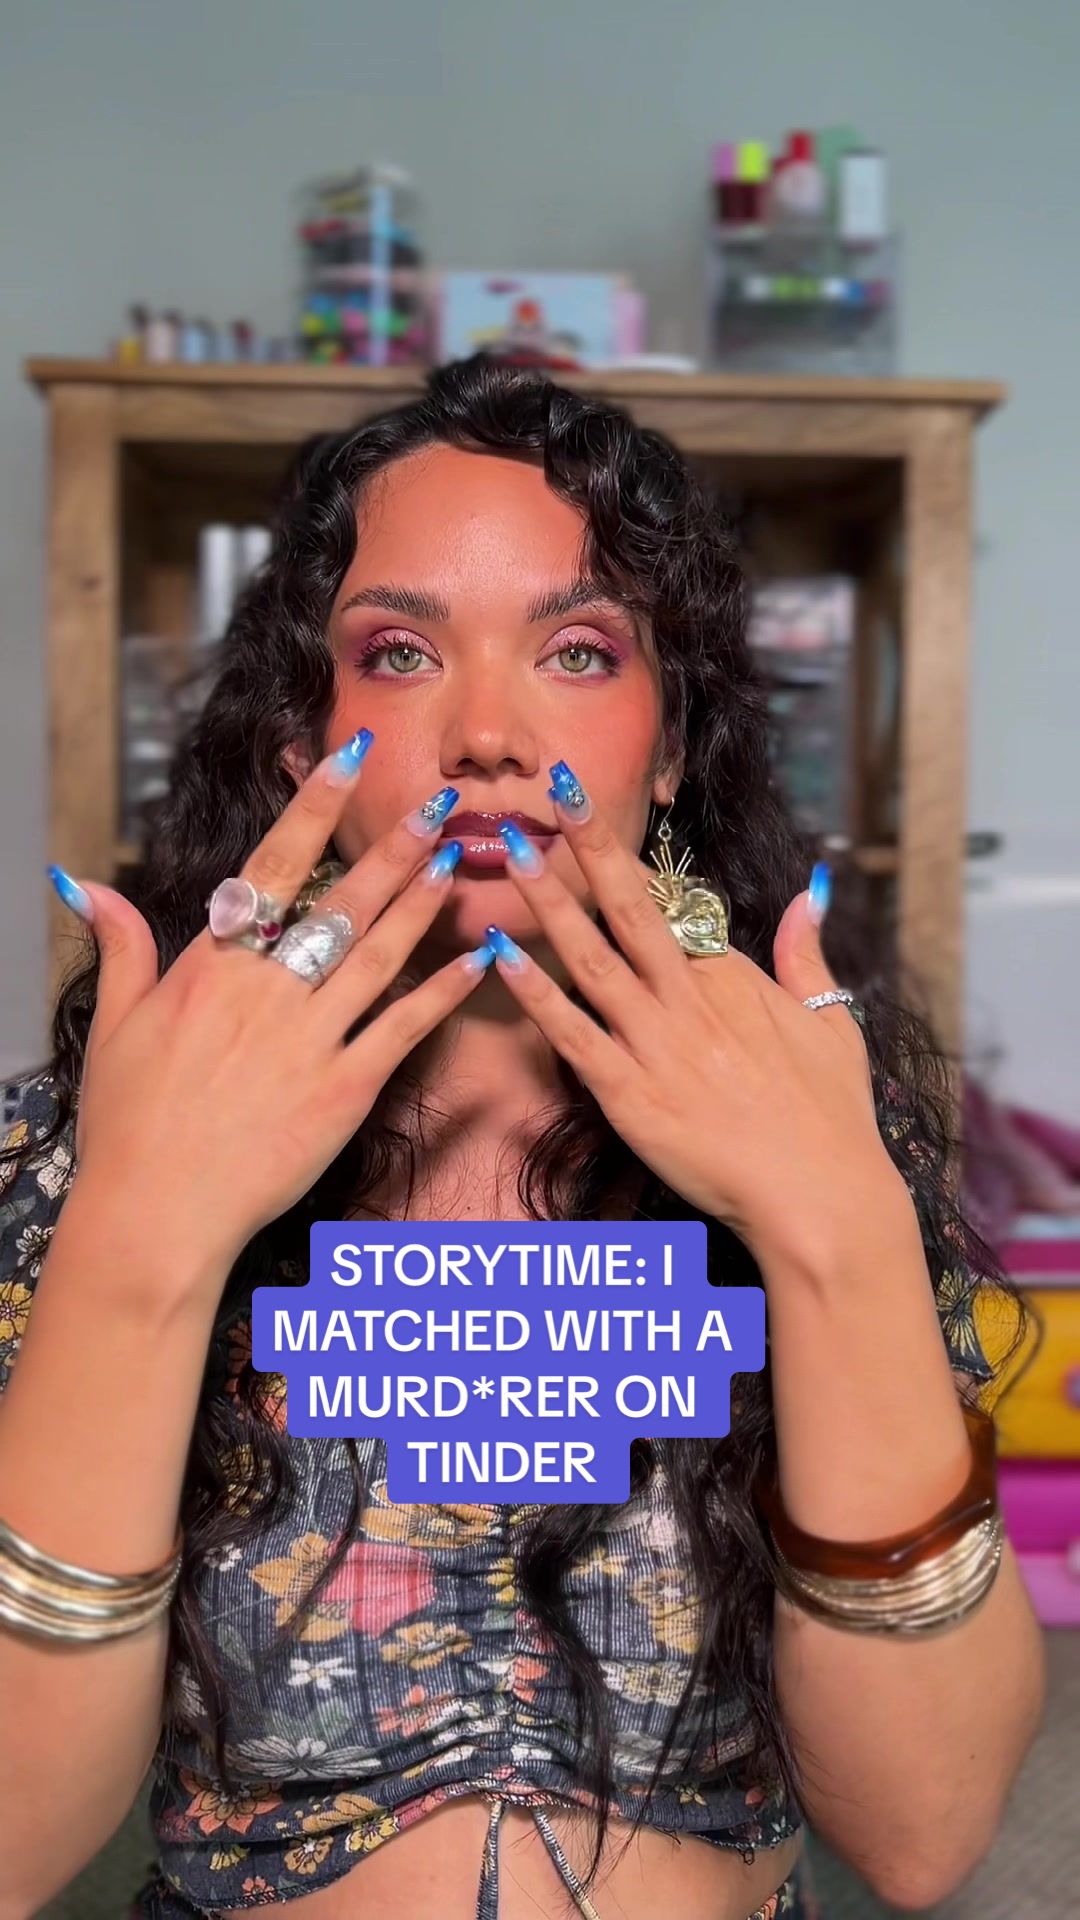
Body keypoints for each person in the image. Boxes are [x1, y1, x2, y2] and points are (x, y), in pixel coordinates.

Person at [0, 355, 1044, 1920]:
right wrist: (140, 1238)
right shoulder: (94, 1144)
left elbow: (925, 1831)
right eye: (400, 652)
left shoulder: (821, 1124)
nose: (487, 731)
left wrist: (834, 1232)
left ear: (671, 746)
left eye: (576, 649)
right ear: (300, 739)